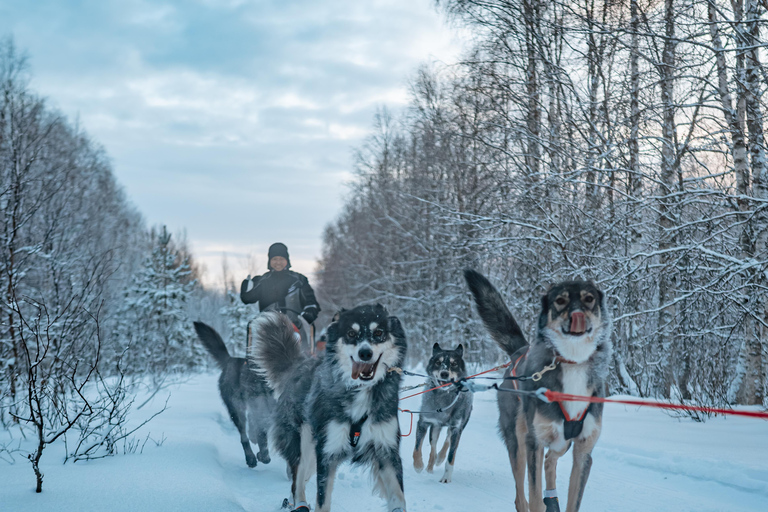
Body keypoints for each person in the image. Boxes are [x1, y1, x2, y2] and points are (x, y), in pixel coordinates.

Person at [240, 243, 320, 331]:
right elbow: (248, 298)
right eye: (275, 259)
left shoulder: (299, 280)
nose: (278, 262)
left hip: (295, 327)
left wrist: (310, 311)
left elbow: (311, 301)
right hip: (268, 328)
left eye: (281, 259)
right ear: (270, 261)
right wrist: (247, 287)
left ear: (287, 260)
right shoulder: (262, 281)